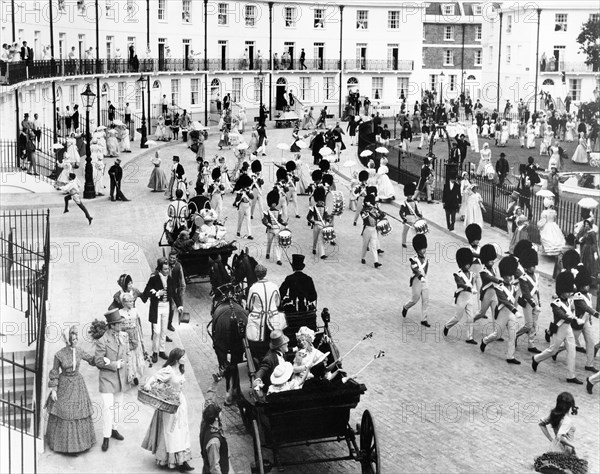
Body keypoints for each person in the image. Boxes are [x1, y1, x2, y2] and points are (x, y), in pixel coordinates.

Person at [46, 326, 96, 454]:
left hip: (78, 383)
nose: (75, 341)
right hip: (64, 384)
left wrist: (102, 358)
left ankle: (80, 445)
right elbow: (55, 372)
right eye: (72, 339)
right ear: (68, 340)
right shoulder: (59, 355)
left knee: (79, 412)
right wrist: (54, 390)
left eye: (76, 338)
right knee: (64, 412)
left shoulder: (79, 351)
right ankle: (65, 446)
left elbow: (91, 360)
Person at [142, 348, 194, 472]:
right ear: (176, 359)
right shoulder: (168, 371)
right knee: (172, 432)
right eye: (183, 357)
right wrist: (149, 386)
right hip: (170, 405)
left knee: (183, 430)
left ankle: (182, 460)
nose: (185, 359)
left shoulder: (180, 369)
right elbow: (154, 377)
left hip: (180, 403)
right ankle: (175, 460)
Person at [532, 272, 582, 384]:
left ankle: (571, 376)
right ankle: (536, 359)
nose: (569, 294)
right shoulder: (556, 303)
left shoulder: (569, 300)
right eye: (567, 292)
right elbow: (561, 315)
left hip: (567, 328)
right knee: (552, 350)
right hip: (559, 328)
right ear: (561, 291)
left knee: (572, 351)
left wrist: (574, 316)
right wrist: (573, 319)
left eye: (569, 291)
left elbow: (572, 310)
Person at [94, 309, 132, 452]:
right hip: (107, 380)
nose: (121, 326)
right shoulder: (102, 341)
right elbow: (98, 361)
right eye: (118, 324)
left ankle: (114, 429)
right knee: (108, 409)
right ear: (112, 325)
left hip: (120, 378)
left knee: (118, 407)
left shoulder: (123, 336)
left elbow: (127, 353)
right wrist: (114, 364)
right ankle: (106, 436)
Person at [479, 256, 521, 363]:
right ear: (503, 276)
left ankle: (510, 356)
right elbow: (504, 301)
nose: (510, 278)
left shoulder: (513, 287)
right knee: (497, 334)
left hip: (511, 313)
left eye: (511, 276)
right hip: (503, 313)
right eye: (507, 276)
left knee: (513, 334)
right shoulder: (499, 287)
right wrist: (515, 310)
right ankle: (485, 341)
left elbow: (515, 300)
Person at [534, 392, 587, 474]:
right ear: (570, 405)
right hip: (565, 449)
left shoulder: (554, 414)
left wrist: (551, 439)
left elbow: (541, 424)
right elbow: (560, 437)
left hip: (554, 447)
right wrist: (573, 446)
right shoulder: (567, 420)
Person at [142, 258, 184, 363]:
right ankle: (154, 352)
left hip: (166, 307)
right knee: (156, 331)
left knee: (164, 330)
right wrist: (156, 293)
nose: (167, 271)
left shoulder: (170, 279)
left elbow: (174, 293)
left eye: (168, 269)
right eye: (165, 269)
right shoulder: (154, 279)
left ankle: (161, 350)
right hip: (157, 307)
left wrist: (179, 305)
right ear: (160, 270)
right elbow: (146, 292)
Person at [443, 248, 477, 344]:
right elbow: (461, 284)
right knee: (458, 317)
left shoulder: (472, 274)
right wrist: (470, 289)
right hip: (461, 298)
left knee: (471, 318)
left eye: (468, 263)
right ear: (461, 264)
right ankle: (447, 325)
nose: (467, 265)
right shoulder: (457, 274)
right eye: (465, 264)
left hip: (469, 297)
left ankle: (469, 337)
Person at [402, 234, 430, 326]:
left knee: (426, 300)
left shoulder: (426, 259)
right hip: (416, 281)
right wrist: (421, 277)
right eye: (422, 249)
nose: (424, 250)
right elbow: (416, 269)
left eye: (424, 248)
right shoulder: (413, 260)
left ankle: (424, 319)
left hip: (424, 280)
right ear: (417, 249)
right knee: (415, 299)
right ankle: (406, 306)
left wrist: (424, 278)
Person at [119, 293, 145, 385]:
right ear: (124, 302)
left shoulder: (135, 311)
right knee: (128, 355)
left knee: (136, 355)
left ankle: (136, 375)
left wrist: (141, 338)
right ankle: (129, 375)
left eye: (132, 301)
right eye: (129, 301)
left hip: (135, 335)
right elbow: (119, 328)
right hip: (125, 336)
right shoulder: (120, 312)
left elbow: (138, 324)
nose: (132, 303)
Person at [199, 403, 229, 474]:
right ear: (216, 418)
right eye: (220, 414)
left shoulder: (205, 425)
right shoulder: (214, 441)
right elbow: (215, 468)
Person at [360, 194, 384, 269]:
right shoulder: (363, 211)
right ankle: (363, 257)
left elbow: (382, 216)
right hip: (367, 230)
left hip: (374, 230)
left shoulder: (375, 210)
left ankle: (376, 262)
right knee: (365, 245)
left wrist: (378, 210)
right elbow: (365, 219)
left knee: (374, 246)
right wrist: (371, 210)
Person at [576, 219, 600, 285]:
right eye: (585, 224)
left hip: (590, 250)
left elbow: (594, 243)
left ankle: (591, 281)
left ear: (590, 225)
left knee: (590, 264)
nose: (586, 225)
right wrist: (581, 240)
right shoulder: (586, 231)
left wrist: (595, 252)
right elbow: (583, 238)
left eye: (587, 224)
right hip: (584, 249)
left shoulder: (592, 233)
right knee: (584, 263)